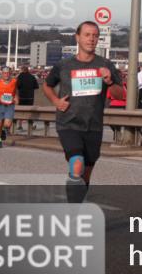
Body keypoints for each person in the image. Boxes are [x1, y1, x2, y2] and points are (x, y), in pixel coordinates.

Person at [43, 21, 121, 202]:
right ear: (77, 37)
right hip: (68, 122)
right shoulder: (64, 65)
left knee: (85, 174)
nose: (91, 39)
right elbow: (47, 86)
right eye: (87, 35)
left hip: (93, 126)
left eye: (95, 36)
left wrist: (109, 81)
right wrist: (56, 101)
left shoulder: (105, 65)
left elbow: (120, 93)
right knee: (77, 164)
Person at [0, 67, 18, 148]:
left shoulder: (14, 81)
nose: (6, 74)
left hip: (9, 105)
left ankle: (4, 130)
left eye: (8, 73)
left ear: (10, 74)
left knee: (8, 124)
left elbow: (15, 91)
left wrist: (16, 97)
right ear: (2, 74)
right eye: (5, 73)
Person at [15, 65, 39, 135]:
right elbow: (36, 86)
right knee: (29, 111)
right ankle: (31, 125)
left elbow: (17, 86)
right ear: (28, 70)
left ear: (22, 70)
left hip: (22, 96)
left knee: (21, 111)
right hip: (30, 97)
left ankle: (20, 125)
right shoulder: (32, 77)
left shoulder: (20, 77)